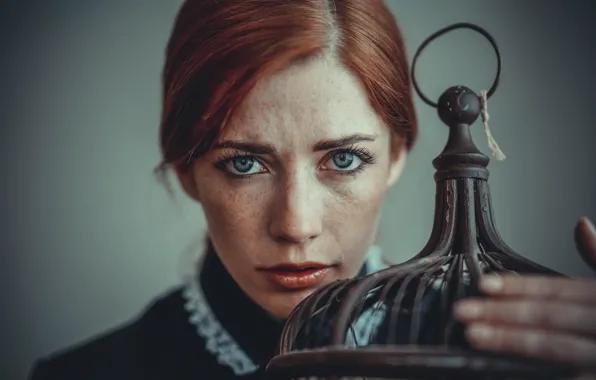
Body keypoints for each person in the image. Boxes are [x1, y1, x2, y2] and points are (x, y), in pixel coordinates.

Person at [28, 0, 596, 379]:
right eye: (244, 165)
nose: (297, 225)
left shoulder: (496, 354)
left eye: (343, 159)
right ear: (185, 169)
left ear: (397, 155)